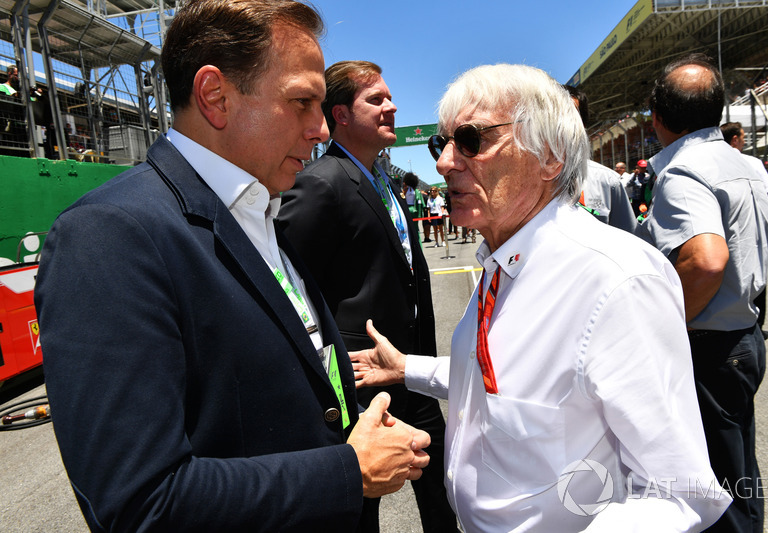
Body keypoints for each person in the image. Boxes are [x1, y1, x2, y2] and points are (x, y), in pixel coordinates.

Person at [34, 2, 431, 531]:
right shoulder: (108, 236)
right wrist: (346, 470)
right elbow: (140, 504)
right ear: (215, 96)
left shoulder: (262, 210)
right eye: (302, 102)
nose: (319, 129)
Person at [351, 63, 730, 532]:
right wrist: (408, 369)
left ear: (550, 157)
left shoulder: (616, 281)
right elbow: (511, 383)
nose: (445, 162)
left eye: (471, 140)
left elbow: (680, 494)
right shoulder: (501, 260)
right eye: (441, 143)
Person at [278, 61, 457, 532]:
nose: (391, 107)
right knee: (361, 509)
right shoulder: (321, 183)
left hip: (411, 372)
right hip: (365, 384)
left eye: (390, 97)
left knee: (443, 492)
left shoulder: (381, 178)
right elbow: (290, 287)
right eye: (375, 99)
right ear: (339, 114)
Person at [637, 53, 768, 533]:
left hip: (709, 346)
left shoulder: (682, 173)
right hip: (744, 335)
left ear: (657, 117)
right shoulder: (746, 165)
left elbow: (706, 259)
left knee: (713, 480)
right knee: (739, 469)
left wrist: (667, 326)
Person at [721, 121, 768, 338]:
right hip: (754, 224)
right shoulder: (751, 162)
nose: (745, 141)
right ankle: (757, 325)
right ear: (735, 139)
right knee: (757, 270)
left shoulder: (714, 161)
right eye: (744, 137)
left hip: (726, 225)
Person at [564, 85, 636, 232]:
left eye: (571, 115)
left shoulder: (608, 182)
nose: (561, 123)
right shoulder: (521, 183)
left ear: (582, 125)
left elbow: (629, 241)